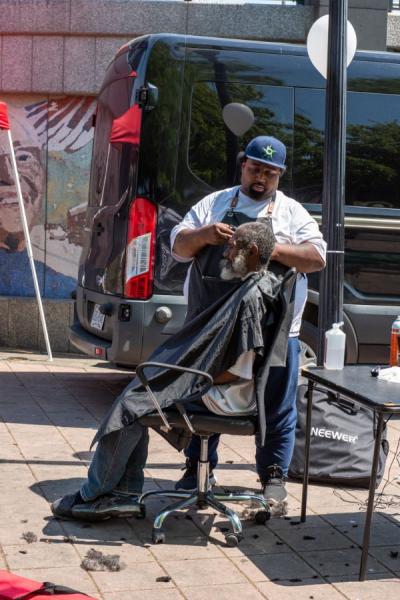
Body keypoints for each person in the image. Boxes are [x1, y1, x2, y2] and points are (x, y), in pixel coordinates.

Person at [51, 221, 279, 521]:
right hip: (220, 388)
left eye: (233, 246)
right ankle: (123, 493)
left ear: (252, 251)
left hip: (226, 396)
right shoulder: (261, 284)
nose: (225, 253)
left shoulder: (251, 298)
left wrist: (186, 380)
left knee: (131, 406)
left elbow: (239, 371)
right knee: (141, 393)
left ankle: (95, 495)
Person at [170, 135, 326, 505]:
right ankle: (196, 467)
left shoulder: (291, 212)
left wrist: (272, 249)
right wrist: (204, 234)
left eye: (270, 173)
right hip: (212, 327)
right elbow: (178, 246)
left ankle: (273, 475)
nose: (261, 178)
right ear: (243, 165)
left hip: (276, 332)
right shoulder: (215, 203)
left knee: (277, 403)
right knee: (201, 393)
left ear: (280, 175)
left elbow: (317, 257)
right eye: (255, 169)